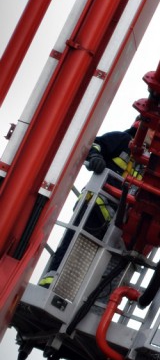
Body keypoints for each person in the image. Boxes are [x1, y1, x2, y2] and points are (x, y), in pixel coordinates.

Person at [39, 123, 142, 288]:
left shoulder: (146, 161)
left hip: (114, 221)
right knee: (71, 244)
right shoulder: (123, 139)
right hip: (94, 203)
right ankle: (49, 282)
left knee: (91, 261)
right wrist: (95, 157)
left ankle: (66, 291)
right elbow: (95, 144)